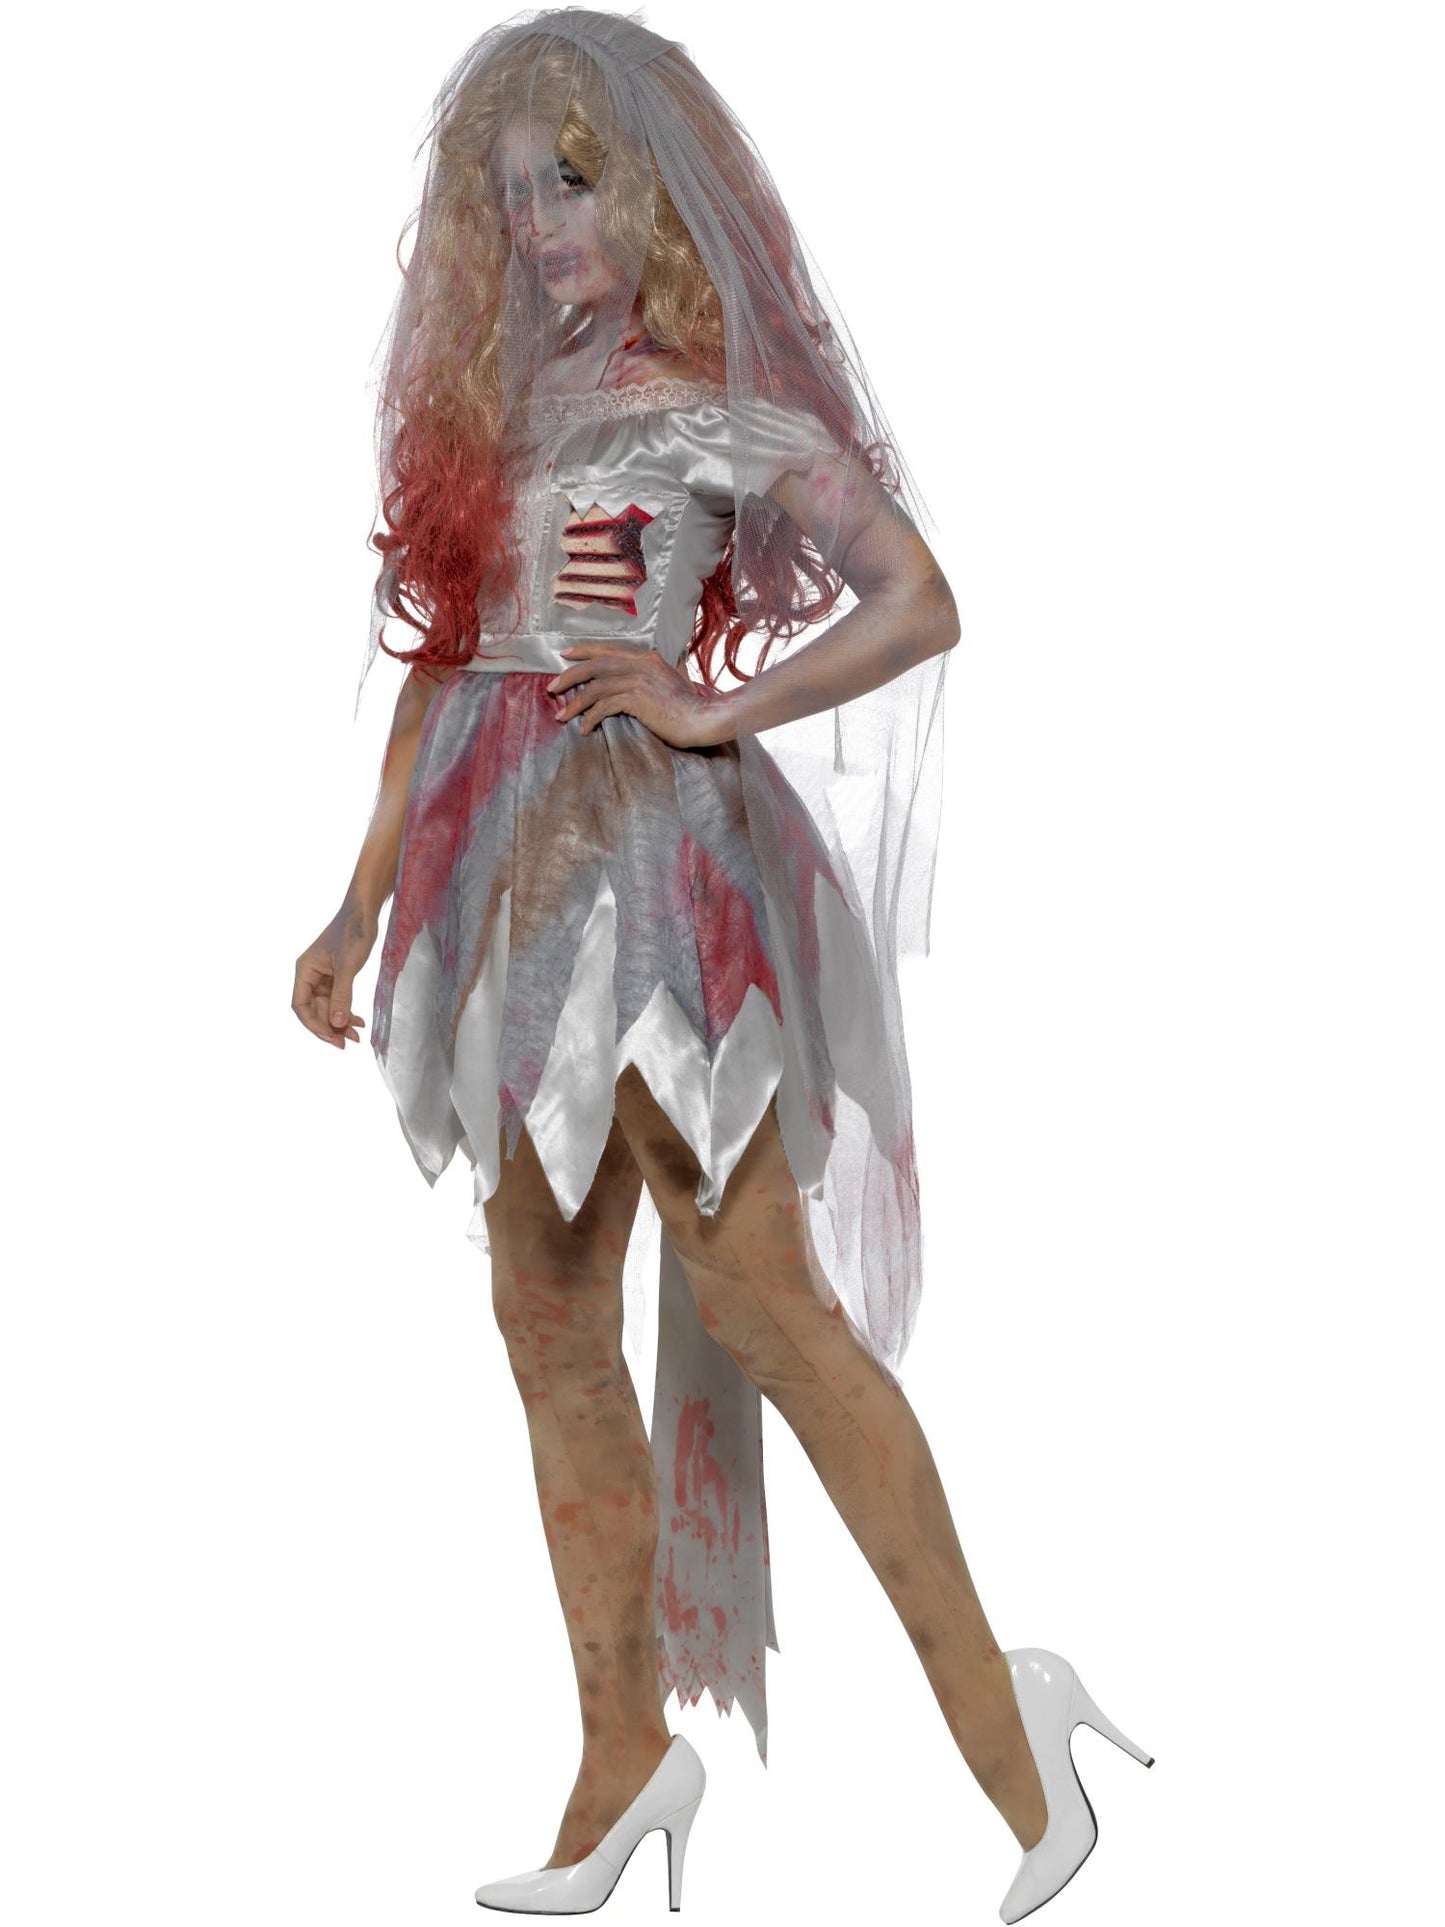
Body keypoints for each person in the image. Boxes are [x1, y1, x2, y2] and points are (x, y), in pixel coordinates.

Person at [291, 7, 1153, 1917]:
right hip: (497, 893)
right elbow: (444, 670)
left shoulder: (716, 413)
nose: (540, 226)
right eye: (512, 197)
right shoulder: (499, 423)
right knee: (540, 1314)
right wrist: (357, 905)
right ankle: (621, 1758)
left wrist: (704, 703)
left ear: (657, 199)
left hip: (654, 886)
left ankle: (1004, 1721)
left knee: (764, 1304)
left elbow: (919, 598)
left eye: (572, 182)